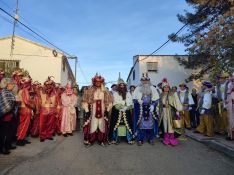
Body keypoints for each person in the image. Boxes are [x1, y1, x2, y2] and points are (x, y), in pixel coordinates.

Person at [82, 74, 113, 147]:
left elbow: (110, 102)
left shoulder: (106, 92)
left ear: (102, 83)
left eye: (99, 82)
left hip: (102, 110)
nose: (98, 83)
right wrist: (87, 110)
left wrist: (107, 110)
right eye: (96, 82)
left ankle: (101, 140)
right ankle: (91, 140)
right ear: (94, 83)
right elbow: (85, 101)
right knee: (93, 125)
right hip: (93, 110)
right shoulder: (89, 91)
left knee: (102, 125)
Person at [133, 73, 159, 146]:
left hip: (150, 109)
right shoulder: (137, 88)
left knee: (150, 124)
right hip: (141, 108)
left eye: (146, 80)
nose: (145, 82)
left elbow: (156, 99)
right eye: (143, 80)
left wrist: (153, 105)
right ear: (141, 81)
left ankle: (150, 138)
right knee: (141, 125)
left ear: (149, 81)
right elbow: (134, 99)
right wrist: (138, 101)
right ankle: (140, 139)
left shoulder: (153, 88)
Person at [109, 77, 134, 144]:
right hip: (117, 111)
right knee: (117, 124)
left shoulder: (128, 93)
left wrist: (127, 107)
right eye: (120, 85)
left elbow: (130, 102)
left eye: (123, 85)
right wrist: (120, 107)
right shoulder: (115, 93)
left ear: (125, 86)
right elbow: (114, 102)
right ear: (118, 86)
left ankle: (128, 138)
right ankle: (116, 138)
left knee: (127, 124)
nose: (122, 86)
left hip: (126, 111)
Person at [158, 78, 183, 146]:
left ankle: (172, 139)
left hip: (171, 111)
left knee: (171, 125)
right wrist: (158, 111)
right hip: (163, 112)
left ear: (169, 87)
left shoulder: (173, 94)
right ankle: (166, 139)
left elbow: (177, 102)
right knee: (165, 125)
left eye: (167, 87)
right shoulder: (161, 95)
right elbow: (159, 104)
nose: (166, 88)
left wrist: (178, 110)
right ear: (163, 88)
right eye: (165, 87)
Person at [16, 75, 35, 146]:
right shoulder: (25, 90)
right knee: (24, 125)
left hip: (21, 108)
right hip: (26, 109)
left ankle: (21, 138)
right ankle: (20, 139)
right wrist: (32, 106)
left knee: (22, 124)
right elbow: (27, 101)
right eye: (29, 83)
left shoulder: (20, 90)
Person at [0, 78, 17, 154]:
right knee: (4, 133)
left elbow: (12, 102)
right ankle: (2, 148)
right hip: (5, 115)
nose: (13, 85)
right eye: (12, 84)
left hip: (11, 114)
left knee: (10, 131)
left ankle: (8, 145)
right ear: (8, 85)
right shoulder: (4, 91)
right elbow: (6, 105)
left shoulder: (10, 92)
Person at [39, 77, 57, 142]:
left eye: (50, 84)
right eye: (47, 84)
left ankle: (49, 135)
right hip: (44, 109)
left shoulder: (54, 92)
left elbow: (56, 101)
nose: (49, 86)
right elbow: (40, 100)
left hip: (51, 109)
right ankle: (42, 136)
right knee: (42, 123)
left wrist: (55, 108)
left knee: (50, 123)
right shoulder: (42, 91)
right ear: (45, 85)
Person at [226, 75, 234, 140]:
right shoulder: (230, 92)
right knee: (231, 121)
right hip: (231, 108)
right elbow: (229, 101)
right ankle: (231, 135)